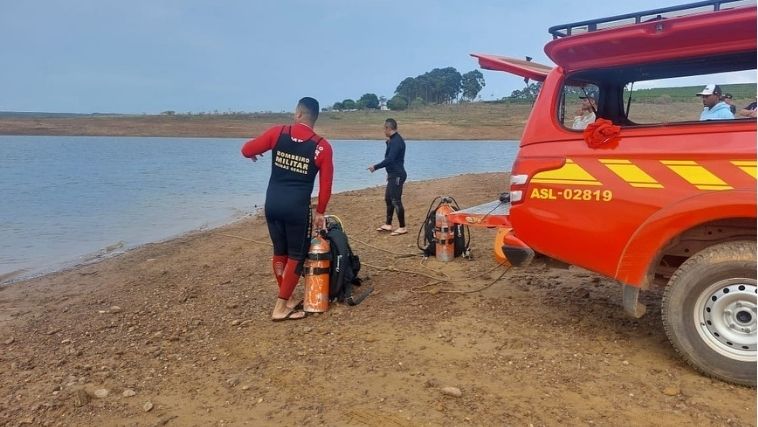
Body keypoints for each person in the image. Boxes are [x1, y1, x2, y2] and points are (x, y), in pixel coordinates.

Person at [241, 97, 334, 321]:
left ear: (298, 114)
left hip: (272, 204)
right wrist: (320, 211)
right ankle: (281, 307)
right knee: (296, 255)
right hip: (296, 208)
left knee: (279, 252)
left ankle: (288, 297)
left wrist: (253, 152)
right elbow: (326, 184)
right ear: (314, 118)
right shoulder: (322, 146)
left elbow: (246, 149)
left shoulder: (278, 133)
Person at [368, 118, 407, 236]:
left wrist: (376, 167)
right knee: (388, 199)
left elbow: (390, 159)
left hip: (398, 175)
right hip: (393, 174)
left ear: (388, 128)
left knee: (396, 200)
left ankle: (402, 227)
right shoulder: (392, 140)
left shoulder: (396, 142)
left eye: (384, 128)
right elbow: (392, 160)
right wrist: (389, 173)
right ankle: (388, 224)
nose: (383, 131)